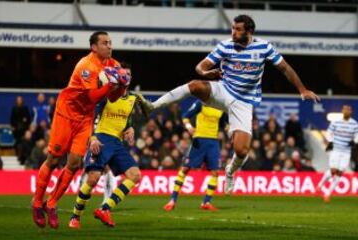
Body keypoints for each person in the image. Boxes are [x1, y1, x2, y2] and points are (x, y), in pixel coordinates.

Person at [137, 15, 320, 194]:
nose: (233, 32)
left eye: (238, 29)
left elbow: (285, 68)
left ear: (249, 31)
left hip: (244, 102)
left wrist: (302, 90)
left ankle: (231, 171)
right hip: (224, 90)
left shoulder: (264, 47)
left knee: (241, 150)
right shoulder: (225, 46)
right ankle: (152, 106)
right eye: (232, 28)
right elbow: (200, 67)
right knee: (194, 85)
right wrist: (207, 74)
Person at [31, 31, 129, 229]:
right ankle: (36, 202)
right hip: (66, 113)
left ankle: (51, 203)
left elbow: (112, 98)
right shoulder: (86, 65)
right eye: (105, 43)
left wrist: (122, 85)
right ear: (94, 47)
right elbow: (93, 97)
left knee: (74, 163)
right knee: (54, 158)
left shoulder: (114, 65)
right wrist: (113, 82)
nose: (109, 46)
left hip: (85, 118)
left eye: (110, 43)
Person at [68, 67, 142, 229]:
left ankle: (104, 209)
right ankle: (75, 216)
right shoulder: (105, 97)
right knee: (93, 178)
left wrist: (130, 129)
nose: (126, 75)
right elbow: (90, 118)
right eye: (124, 73)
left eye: (128, 73)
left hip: (117, 143)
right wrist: (92, 138)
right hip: (100, 139)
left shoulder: (132, 100)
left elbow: (126, 121)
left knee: (135, 175)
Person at [163, 100, 227, 211]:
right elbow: (185, 116)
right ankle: (172, 200)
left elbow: (223, 124)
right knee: (185, 169)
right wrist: (189, 127)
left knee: (216, 172)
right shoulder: (200, 103)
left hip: (213, 142)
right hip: (199, 140)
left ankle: (206, 202)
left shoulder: (221, 107)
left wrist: (231, 130)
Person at [316, 105, 358, 202]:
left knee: (339, 173)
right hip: (336, 150)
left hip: (346, 152)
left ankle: (327, 194)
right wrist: (331, 141)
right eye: (344, 109)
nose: (346, 111)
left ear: (350, 111)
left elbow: (357, 135)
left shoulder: (354, 124)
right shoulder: (336, 122)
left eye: (348, 109)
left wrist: (355, 141)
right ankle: (320, 184)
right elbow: (328, 132)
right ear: (342, 111)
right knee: (333, 170)